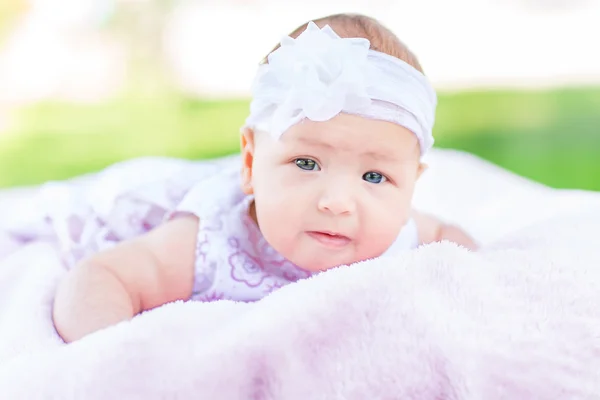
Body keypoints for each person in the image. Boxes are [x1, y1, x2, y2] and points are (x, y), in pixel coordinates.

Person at [52, 13, 477, 343]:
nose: (337, 202)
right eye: (307, 163)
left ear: (412, 186)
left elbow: (449, 237)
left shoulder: (403, 234)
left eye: (374, 176)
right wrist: (114, 360)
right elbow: (100, 278)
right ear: (252, 164)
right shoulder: (208, 241)